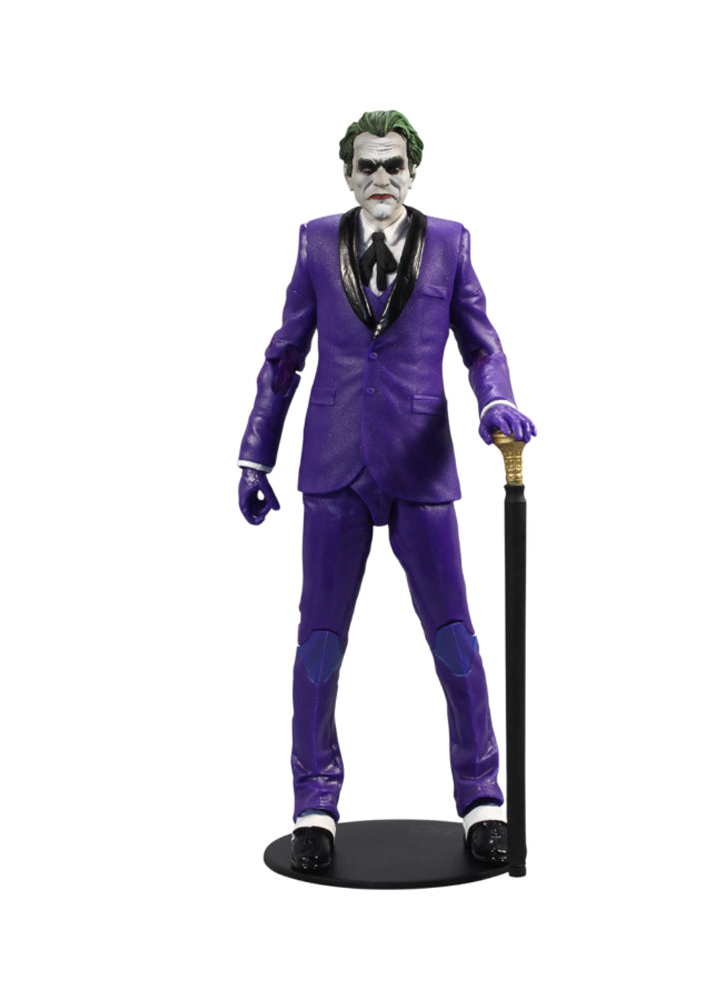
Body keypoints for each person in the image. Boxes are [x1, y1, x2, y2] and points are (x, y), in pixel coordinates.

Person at [237, 110, 535, 872]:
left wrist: (496, 402)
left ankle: (483, 801)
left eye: (393, 165)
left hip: (420, 462)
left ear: (413, 171)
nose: (380, 179)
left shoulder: (450, 243)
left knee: (455, 637)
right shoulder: (314, 243)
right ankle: (314, 807)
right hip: (334, 464)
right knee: (319, 643)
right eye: (366, 165)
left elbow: (481, 346)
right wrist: (255, 456)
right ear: (346, 174)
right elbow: (284, 356)